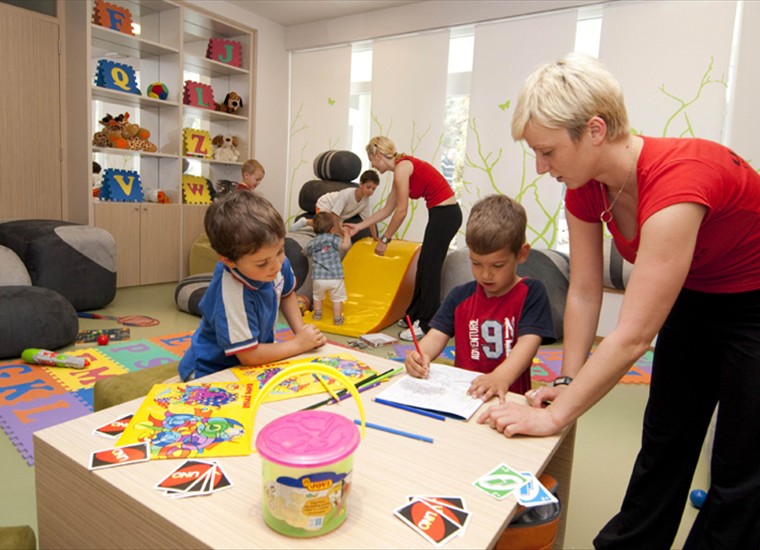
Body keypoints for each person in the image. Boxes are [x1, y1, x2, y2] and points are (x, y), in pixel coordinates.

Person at [477, 53, 760, 548]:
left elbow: (632, 336)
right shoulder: (585, 189)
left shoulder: (678, 182)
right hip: (694, 296)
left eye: (547, 152)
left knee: (740, 465)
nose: (541, 168)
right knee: (666, 441)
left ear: (595, 130)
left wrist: (554, 416)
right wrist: (567, 381)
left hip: (755, 305)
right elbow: (585, 291)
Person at [405, 194, 555, 402]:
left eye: (497, 265)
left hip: (508, 400)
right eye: (476, 263)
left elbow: (528, 343)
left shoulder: (531, 293)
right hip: (466, 398)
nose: (485, 275)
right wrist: (420, 356)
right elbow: (436, 336)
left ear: (521, 254)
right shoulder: (459, 296)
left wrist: (500, 377)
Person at [178, 191, 326, 381]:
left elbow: (287, 293)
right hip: (210, 370)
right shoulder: (231, 294)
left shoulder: (275, 261)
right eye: (262, 263)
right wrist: (297, 345)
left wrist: (302, 333)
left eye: (280, 250)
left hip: (251, 360)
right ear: (229, 260)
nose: (276, 266)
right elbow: (249, 356)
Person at [345, 136, 463, 342]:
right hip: (441, 214)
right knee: (424, 265)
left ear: (378, 155)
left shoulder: (402, 169)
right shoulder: (400, 170)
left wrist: (385, 239)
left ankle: (427, 324)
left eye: (371, 160)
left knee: (430, 268)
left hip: (446, 215)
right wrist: (359, 226)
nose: (372, 165)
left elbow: (401, 212)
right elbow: (387, 209)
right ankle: (415, 315)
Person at [291, 170, 380, 240]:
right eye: (368, 187)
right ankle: (305, 222)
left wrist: (375, 237)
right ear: (361, 184)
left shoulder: (365, 202)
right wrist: (337, 232)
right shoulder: (347, 194)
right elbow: (334, 214)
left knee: (339, 230)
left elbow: (370, 221)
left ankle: (309, 223)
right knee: (326, 224)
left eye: (373, 189)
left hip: (339, 215)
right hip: (326, 204)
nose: (370, 191)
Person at [303, 211, 352, 326]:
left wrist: (306, 251)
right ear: (332, 229)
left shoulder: (313, 242)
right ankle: (337, 319)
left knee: (317, 297)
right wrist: (347, 235)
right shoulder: (333, 239)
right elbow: (345, 246)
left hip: (319, 278)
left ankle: (317, 315)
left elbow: (305, 252)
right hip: (335, 277)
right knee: (337, 299)